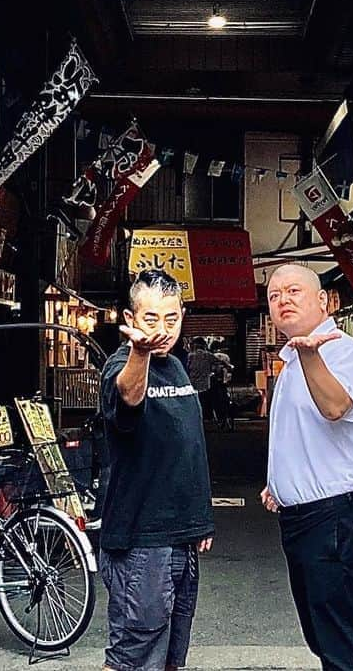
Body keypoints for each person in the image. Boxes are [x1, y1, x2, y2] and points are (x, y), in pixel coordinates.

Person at [260, 264, 353, 671]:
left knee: (343, 641)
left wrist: (311, 354)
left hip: (333, 519)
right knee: (322, 634)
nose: (283, 300)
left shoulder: (340, 350)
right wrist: (280, 481)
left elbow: (334, 407)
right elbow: (303, 432)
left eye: (294, 290)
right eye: (274, 295)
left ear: (323, 301)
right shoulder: (293, 358)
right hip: (303, 519)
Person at [99, 270, 214, 671]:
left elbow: (187, 447)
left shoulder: (178, 368)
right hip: (140, 542)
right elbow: (129, 397)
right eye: (150, 320)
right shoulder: (120, 366)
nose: (162, 330)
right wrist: (140, 353)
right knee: (133, 655)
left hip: (179, 537)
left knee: (169, 656)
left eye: (171, 318)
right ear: (130, 320)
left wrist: (199, 521)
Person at [185, 337, 216, 421]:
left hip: (192, 382)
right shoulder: (208, 355)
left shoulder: (190, 356)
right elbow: (218, 363)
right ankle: (206, 416)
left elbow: (187, 367)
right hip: (205, 383)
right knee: (205, 400)